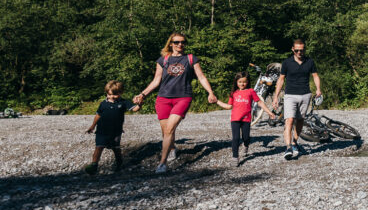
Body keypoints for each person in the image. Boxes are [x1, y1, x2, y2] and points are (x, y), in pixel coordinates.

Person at [133, 32, 217, 174]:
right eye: (177, 42)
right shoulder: (163, 60)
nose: (180, 45)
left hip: (183, 97)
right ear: (171, 44)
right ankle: (172, 148)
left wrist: (210, 92)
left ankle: (162, 163)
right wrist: (142, 94)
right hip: (163, 99)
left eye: (183, 42)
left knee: (170, 129)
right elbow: (156, 81)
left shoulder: (191, 59)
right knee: (166, 130)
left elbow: (201, 77)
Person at [271, 39, 322, 160]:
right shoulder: (287, 63)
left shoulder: (310, 62)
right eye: (297, 50)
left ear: (304, 49)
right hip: (290, 95)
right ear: (293, 49)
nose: (300, 52)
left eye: (302, 50)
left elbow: (315, 76)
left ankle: (294, 143)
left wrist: (318, 89)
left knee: (300, 120)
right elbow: (281, 79)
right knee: (289, 120)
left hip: (305, 95)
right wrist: (276, 96)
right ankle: (288, 147)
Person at [214, 71, 276, 166]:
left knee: (246, 138)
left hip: (246, 119)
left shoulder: (251, 91)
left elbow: (259, 102)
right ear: (236, 82)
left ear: (247, 82)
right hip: (235, 119)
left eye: (244, 82)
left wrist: (269, 112)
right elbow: (228, 106)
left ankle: (246, 145)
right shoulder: (233, 93)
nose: (242, 84)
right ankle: (235, 157)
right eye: (240, 82)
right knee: (235, 138)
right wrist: (217, 101)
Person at [84, 80, 139, 174]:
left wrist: (140, 103)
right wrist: (92, 126)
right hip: (101, 130)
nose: (111, 97)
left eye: (114, 95)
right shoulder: (103, 103)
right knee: (99, 147)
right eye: (109, 94)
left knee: (116, 148)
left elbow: (135, 109)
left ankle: (119, 162)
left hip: (116, 131)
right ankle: (94, 165)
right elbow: (98, 115)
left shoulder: (123, 102)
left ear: (121, 93)